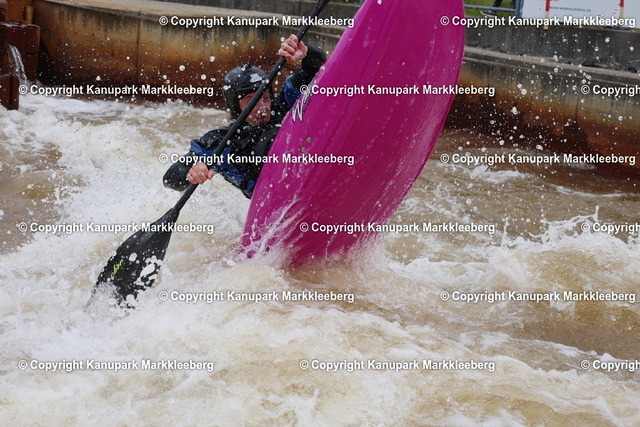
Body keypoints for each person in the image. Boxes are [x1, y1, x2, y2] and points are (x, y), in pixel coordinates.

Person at [163, 34, 326, 198]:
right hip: (267, 198)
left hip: (305, 175)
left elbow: (315, 68)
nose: (263, 108)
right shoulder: (222, 142)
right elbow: (170, 179)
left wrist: (306, 53)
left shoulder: (283, 104)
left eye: (266, 98)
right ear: (236, 107)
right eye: (251, 101)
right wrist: (193, 172)